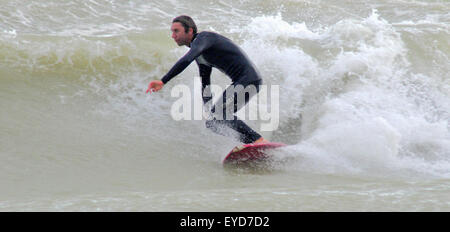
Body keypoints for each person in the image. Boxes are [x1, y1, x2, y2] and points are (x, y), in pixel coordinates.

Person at [146, 15, 268, 144]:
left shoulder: (204, 38)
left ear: (190, 30)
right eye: (172, 32)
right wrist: (207, 108)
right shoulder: (201, 55)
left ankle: (258, 140)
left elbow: (187, 59)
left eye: (176, 31)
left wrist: (163, 80)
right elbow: (206, 84)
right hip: (248, 81)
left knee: (220, 113)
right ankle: (251, 144)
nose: (173, 36)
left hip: (248, 79)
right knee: (212, 123)